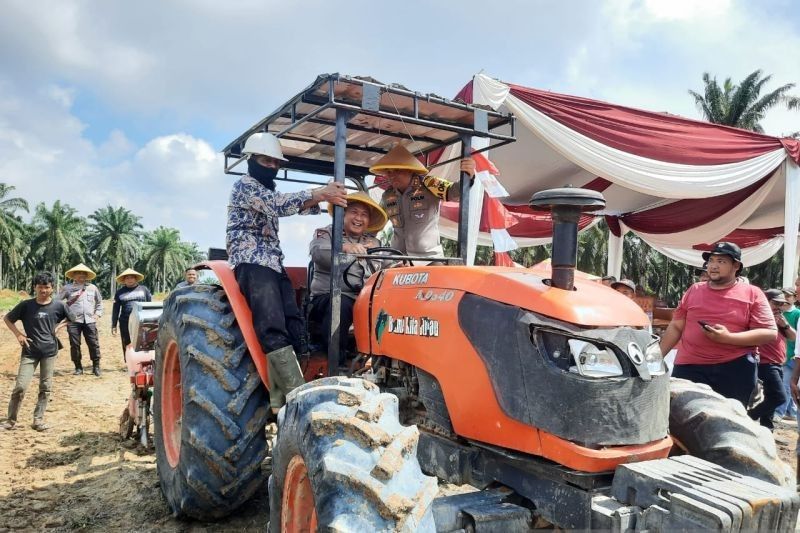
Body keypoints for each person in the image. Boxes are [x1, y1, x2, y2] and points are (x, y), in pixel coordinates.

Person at [226, 132, 347, 413]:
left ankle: (278, 403)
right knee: (271, 325)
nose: (271, 166)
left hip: (273, 261)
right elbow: (278, 205)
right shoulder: (245, 187)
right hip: (252, 261)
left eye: (274, 162)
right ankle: (298, 401)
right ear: (251, 160)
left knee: (293, 323)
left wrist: (330, 203)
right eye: (265, 160)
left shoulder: (266, 189)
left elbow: (290, 204)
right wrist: (319, 192)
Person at [659, 242, 776, 407]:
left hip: (735, 368)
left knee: (729, 423)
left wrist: (729, 338)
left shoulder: (752, 293)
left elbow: (769, 333)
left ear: (736, 266)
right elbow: (676, 326)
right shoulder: (694, 290)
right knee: (680, 419)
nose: (713, 266)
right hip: (690, 366)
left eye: (721, 262)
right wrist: (656, 357)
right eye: (711, 261)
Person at [309, 192, 388, 361]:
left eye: (364, 214)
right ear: (342, 213)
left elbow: (386, 264)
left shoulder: (374, 243)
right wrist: (344, 248)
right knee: (340, 303)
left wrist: (399, 267)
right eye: (354, 212)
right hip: (328, 298)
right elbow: (319, 255)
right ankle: (336, 363)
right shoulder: (326, 234)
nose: (359, 218)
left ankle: (386, 361)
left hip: (365, 300)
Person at [374, 144, 475, 259]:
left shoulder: (429, 184)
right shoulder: (387, 196)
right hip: (398, 259)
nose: (392, 175)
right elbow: (376, 221)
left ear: (410, 170)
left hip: (428, 259)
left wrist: (469, 176)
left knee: (440, 276)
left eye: (397, 170)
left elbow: (454, 192)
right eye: (388, 171)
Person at [1, 272, 71, 431]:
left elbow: (72, 317)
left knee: (45, 387)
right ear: (35, 287)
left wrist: (59, 326)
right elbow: (7, 319)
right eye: (40, 287)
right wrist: (18, 334)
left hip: (49, 352)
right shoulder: (26, 305)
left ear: (52, 288)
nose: (43, 290)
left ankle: (38, 420)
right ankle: (10, 421)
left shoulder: (59, 305)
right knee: (20, 387)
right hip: (29, 352)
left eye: (47, 287)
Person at [748, 289, 795, 430]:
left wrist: (784, 325)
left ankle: (767, 430)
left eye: (781, 304)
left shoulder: (780, 319)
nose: (778, 307)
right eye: (775, 303)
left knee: (771, 397)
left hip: (778, 363)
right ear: (765, 301)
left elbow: (793, 337)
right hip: (765, 363)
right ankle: (749, 416)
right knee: (779, 396)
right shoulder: (759, 316)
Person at [58, 263, 103, 376]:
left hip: (90, 320)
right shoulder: (67, 288)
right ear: (73, 276)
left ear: (87, 276)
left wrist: (97, 314)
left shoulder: (93, 288)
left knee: (93, 343)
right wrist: (64, 315)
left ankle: (96, 366)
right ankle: (78, 367)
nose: (81, 276)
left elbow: (99, 303)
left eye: (84, 274)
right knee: (74, 344)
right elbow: (57, 302)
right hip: (73, 321)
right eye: (78, 274)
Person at [111, 268, 152, 359]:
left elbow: (150, 304)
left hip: (142, 320)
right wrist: (114, 324)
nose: (129, 280)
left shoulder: (144, 290)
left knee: (144, 341)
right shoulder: (119, 293)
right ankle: (129, 361)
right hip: (125, 321)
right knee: (127, 342)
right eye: (127, 278)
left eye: (131, 278)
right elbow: (116, 309)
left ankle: (144, 360)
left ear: (136, 279)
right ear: (124, 280)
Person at [775, 287, 800, 419]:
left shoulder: (797, 314)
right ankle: (791, 411)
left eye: (789, 296)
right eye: (784, 296)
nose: (786, 299)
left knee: (785, 385)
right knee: (789, 385)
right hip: (784, 354)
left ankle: (778, 413)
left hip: (792, 356)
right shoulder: (779, 313)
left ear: (795, 298)